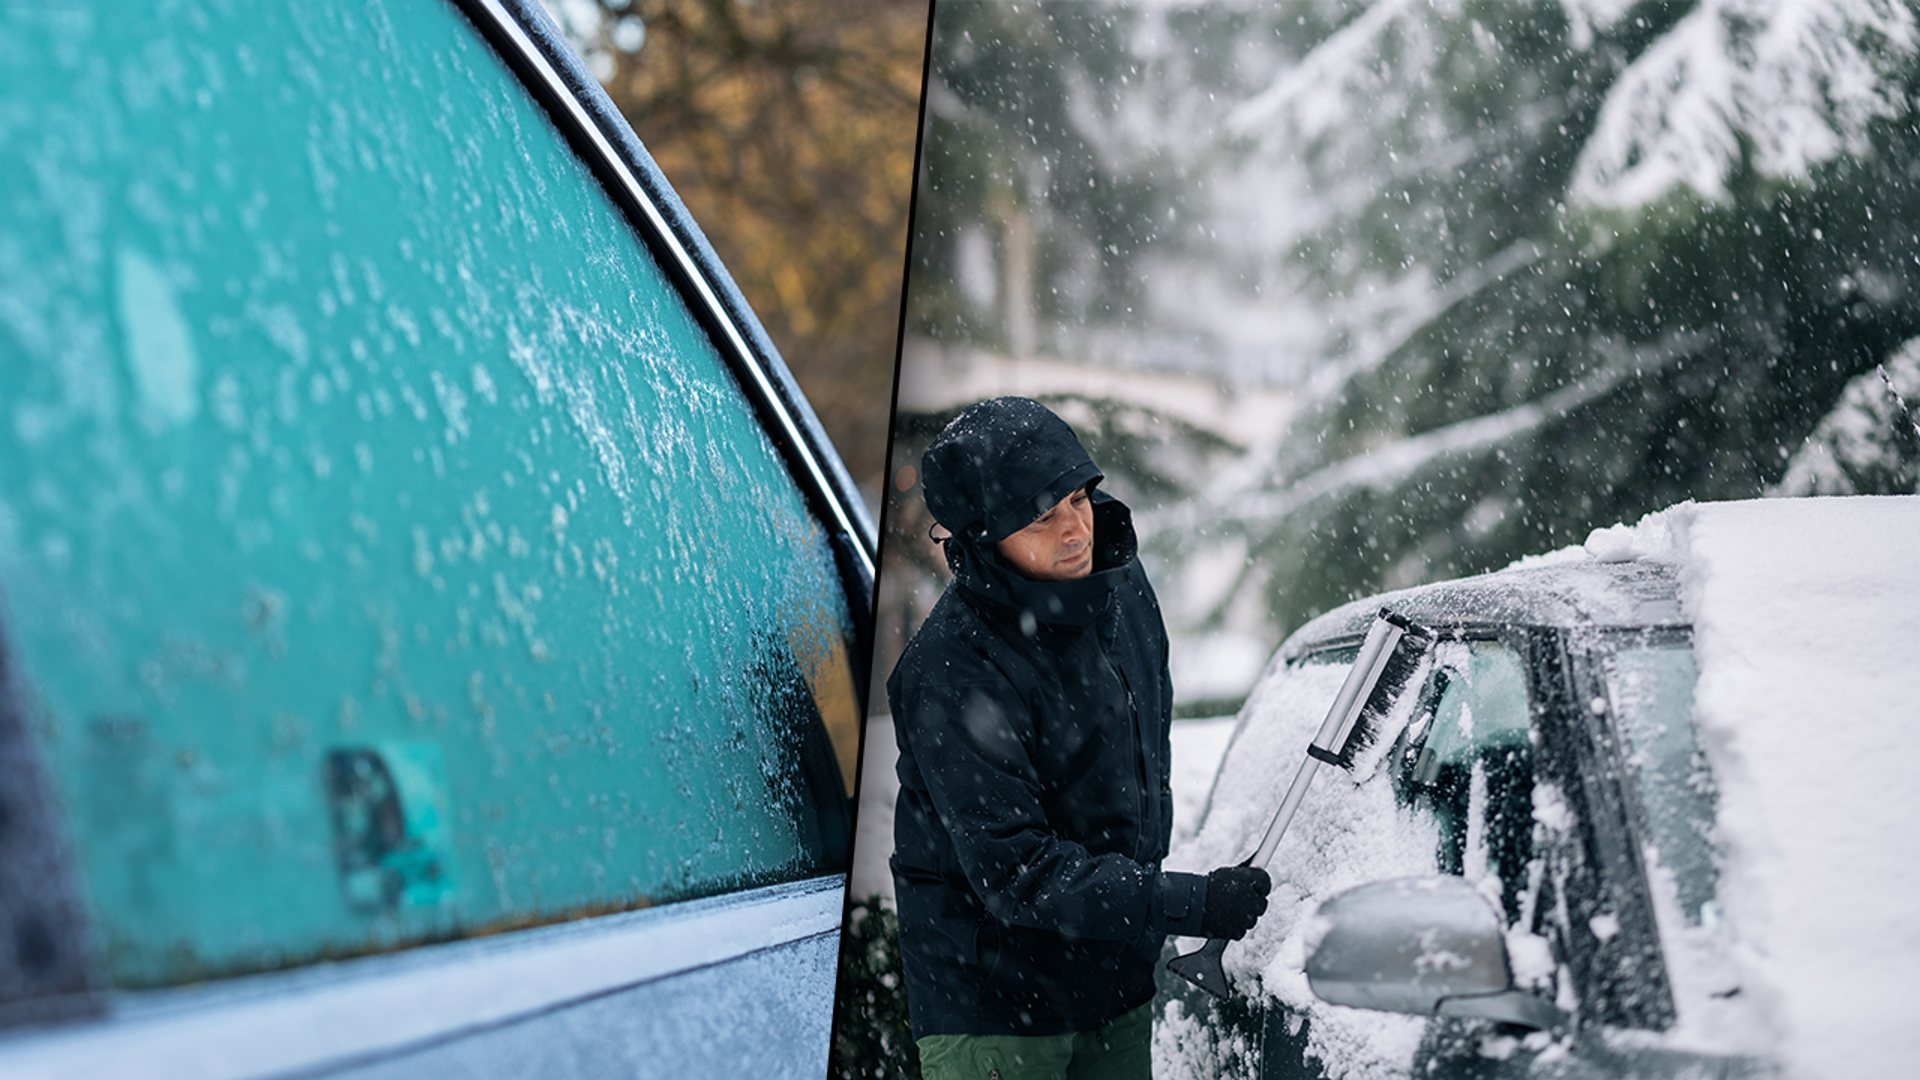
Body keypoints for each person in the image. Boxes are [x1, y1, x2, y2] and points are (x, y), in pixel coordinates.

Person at [887, 397, 1270, 1080]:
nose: (1074, 529)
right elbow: (1017, 871)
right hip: (996, 1013)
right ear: (980, 538)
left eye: (1077, 498)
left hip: (1114, 984)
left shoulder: (1122, 592)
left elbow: (1142, 762)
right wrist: (1189, 901)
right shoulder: (948, 672)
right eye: (1041, 516)